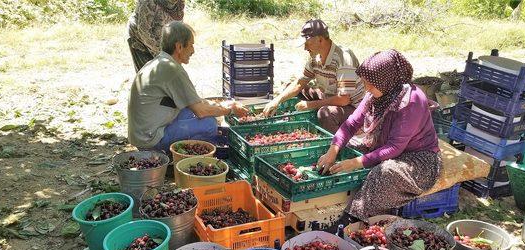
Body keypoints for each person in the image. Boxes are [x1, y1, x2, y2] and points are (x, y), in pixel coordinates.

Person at [317, 50, 441, 220]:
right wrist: (333, 149)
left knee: (384, 172)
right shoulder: (377, 94)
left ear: (387, 80)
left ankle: (354, 218)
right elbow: (352, 123)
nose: (367, 89)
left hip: (418, 159)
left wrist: (355, 163)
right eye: (365, 83)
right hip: (382, 146)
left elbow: (394, 147)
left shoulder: (412, 101)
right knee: (343, 149)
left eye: (371, 85)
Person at [127, 21, 248, 152]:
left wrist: (224, 105)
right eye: (191, 45)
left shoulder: (159, 63)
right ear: (179, 47)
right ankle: (195, 160)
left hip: (142, 135)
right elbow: (201, 111)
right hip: (150, 140)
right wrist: (230, 110)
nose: (193, 51)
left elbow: (194, 102)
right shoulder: (172, 70)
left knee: (190, 112)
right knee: (209, 124)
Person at [262, 19, 365, 134]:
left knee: (325, 113)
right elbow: (300, 83)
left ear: (320, 40)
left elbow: (344, 99)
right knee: (288, 87)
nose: (305, 48)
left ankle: (339, 147)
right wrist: (277, 100)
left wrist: (311, 105)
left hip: (353, 106)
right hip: (330, 95)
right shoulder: (315, 58)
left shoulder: (344, 58)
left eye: (307, 44)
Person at [127, 0, 185, 72]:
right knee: (147, 74)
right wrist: (162, 53)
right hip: (139, 37)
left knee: (167, 73)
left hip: (160, 35)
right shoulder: (148, 1)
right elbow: (144, 31)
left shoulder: (180, 2)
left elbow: (178, 24)